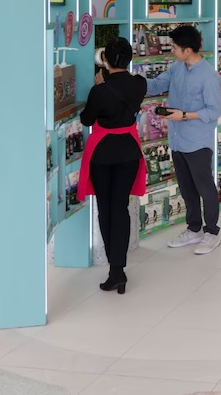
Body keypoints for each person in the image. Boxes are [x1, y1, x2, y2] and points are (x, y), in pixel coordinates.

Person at [78, 38, 148, 293]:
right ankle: (119, 267)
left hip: (102, 154)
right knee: (121, 207)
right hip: (129, 151)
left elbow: (87, 119)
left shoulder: (100, 90)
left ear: (105, 59)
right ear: (130, 58)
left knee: (105, 210)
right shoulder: (140, 84)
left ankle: (114, 270)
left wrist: (100, 87)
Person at [146, 25, 221, 254]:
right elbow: (157, 85)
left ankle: (212, 232)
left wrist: (185, 115)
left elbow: (214, 110)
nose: (172, 50)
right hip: (177, 139)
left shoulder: (208, 75)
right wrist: (130, 80)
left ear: (187, 50)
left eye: (174, 47)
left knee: (205, 187)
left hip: (197, 141)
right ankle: (194, 229)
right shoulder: (176, 68)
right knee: (186, 187)